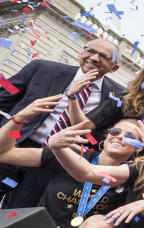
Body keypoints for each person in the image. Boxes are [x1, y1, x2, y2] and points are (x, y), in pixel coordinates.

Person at [0, 96, 144, 228]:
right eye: (115, 132)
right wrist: (20, 118)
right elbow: (4, 152)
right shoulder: (72, 155)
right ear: (105, 137)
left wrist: (143, 201)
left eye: (130, 137)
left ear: (138, 148)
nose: (120, 137)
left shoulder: (135, 174)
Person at [0, 39, 126, 207]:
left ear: (114, 68)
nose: (95, 58)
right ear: (81, 53)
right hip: (13, 145)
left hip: (54, 161)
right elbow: (4, 96)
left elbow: (102, 136)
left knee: (18, 214)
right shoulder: (42, 68)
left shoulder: (118, 96)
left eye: (104, 56)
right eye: (90, 51)